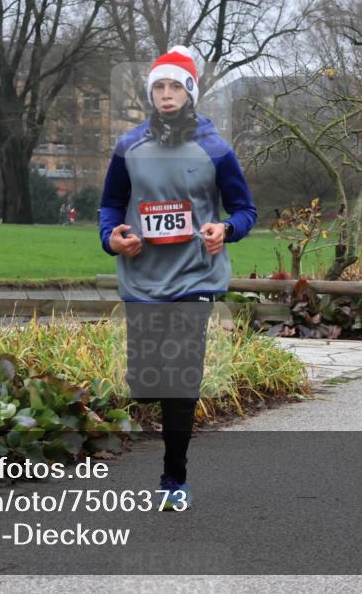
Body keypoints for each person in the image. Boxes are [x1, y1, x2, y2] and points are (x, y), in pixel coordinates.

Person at [98, 45, 257, 511]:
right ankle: (170, 462)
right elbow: (110, 205)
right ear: (151, 94)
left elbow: (245, 210)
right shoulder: (129, 147)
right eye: (158, 87)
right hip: (143, 277)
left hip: (196, 277)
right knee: (149, 380)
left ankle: (174, 478)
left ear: (189, 92)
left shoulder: (215, 149)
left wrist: (224, 230)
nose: (166, 95)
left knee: (180, 379)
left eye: (174, 86)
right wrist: (112, 238)